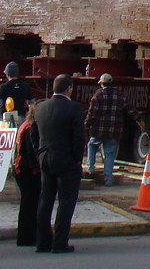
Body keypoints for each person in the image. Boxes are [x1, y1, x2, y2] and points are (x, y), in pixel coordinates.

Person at [31, 74, 84, 254]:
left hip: (45, 158)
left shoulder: (40, 108)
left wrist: (39, 153)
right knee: (66, 202)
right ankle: (60, 242)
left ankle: (43, 242)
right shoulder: (73, 108)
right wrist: (77, 158)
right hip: (66, 159)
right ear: (69, 88)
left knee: (45, 200)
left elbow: (33, 135)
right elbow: (78, 137)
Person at [84, 73, 137, 186]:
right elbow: (130, 109)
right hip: (113, 131)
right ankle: (108, 179)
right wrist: (138, 119)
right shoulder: (119, 95)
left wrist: (87, 124)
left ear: (101, 84)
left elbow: (92, 113)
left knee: (92, 146)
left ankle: (90, 169)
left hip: (98, 130)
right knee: (109, 154)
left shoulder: (98, 95)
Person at [13, 102, 41, 247]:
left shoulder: (26, 125)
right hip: (28, 171)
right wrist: (38, 168)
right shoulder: (31, 128)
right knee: (30, 205)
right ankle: (27, 236)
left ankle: (27, 236)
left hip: (23, 169)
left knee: (28, 204)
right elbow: (31, 153)